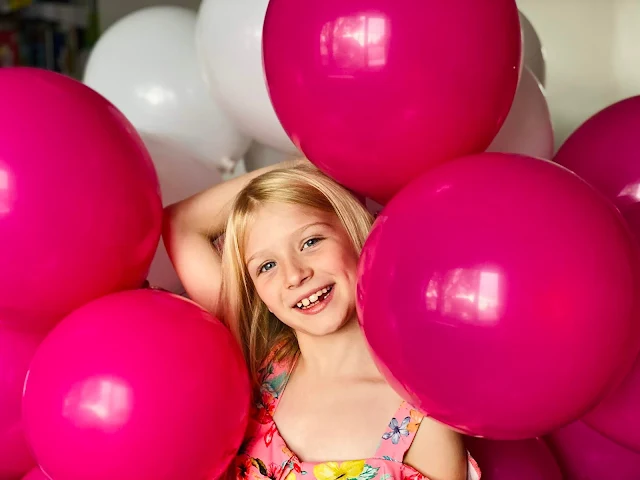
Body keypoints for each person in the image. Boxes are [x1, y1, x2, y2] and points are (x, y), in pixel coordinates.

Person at [164, 159, 481, 480]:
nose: (295, 275)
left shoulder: (420, 418)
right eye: (267, 266)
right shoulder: (258, 364)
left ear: (355, 233)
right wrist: (319, 162)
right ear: (258, 292)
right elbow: (181, 223)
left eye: (311, 242)